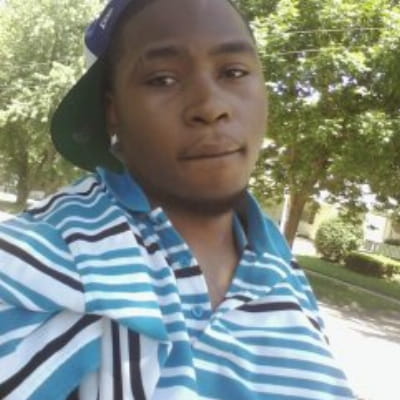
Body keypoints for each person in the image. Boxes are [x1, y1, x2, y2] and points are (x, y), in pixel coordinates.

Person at [0, 0, 355, 399]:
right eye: (163, 79)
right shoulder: (41, 263)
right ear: (113, 111)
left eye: (234, 72)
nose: (211, 107)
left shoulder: (283, 271)